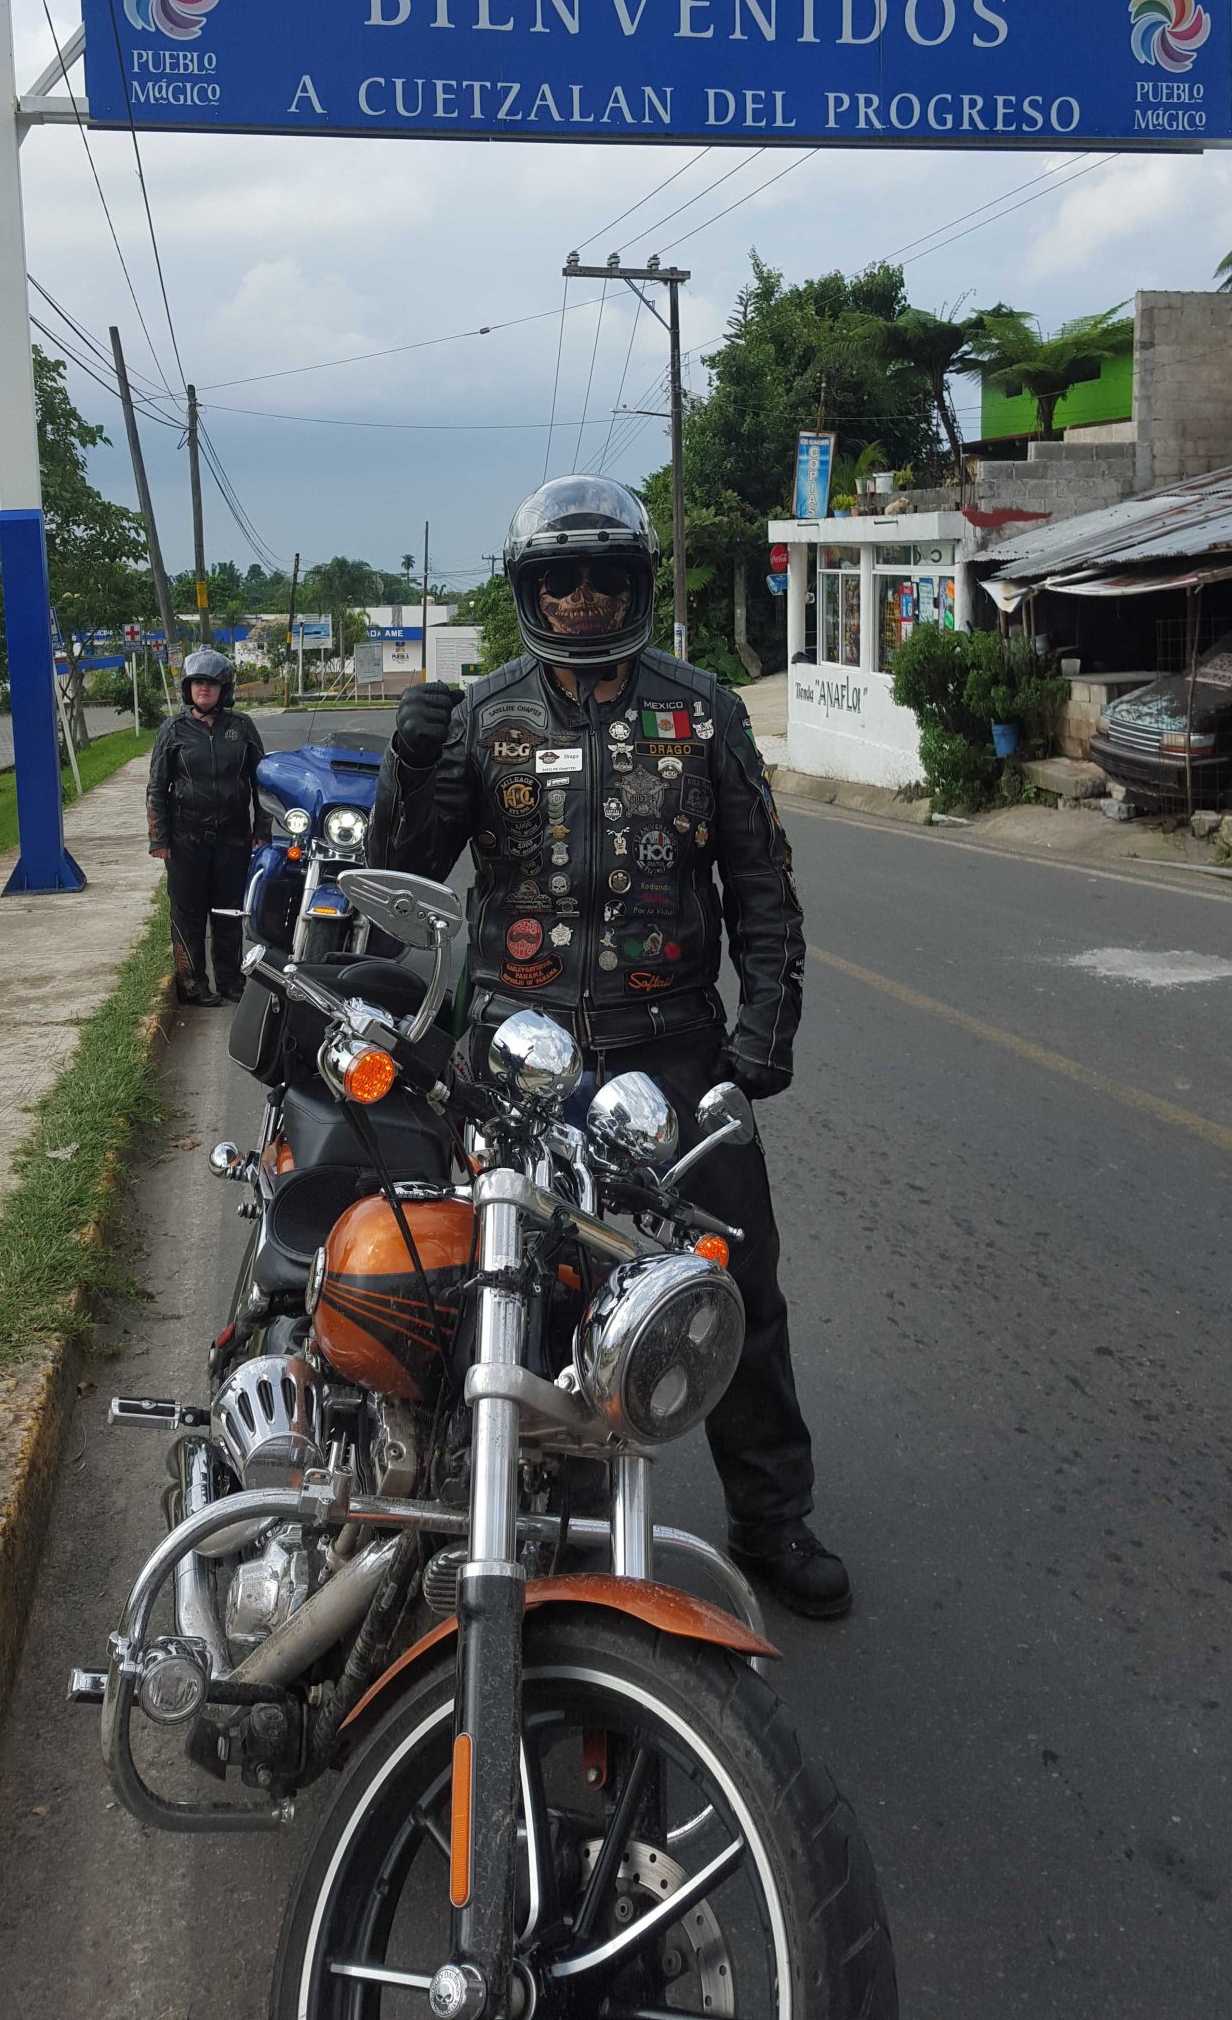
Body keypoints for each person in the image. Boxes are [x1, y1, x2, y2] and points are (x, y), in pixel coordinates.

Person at [369, 476, 848, 1617]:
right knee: (515, 1287)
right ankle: (530, 1512)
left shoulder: (702, 711)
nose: (582, 600)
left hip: (673, 1051)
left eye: (605, 578)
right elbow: (402, 879)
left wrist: (759, 1036)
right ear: (530, 588)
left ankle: (773, 1521)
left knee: (737, 1285)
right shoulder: (485, 717)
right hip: (518, 1062)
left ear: (635, 582)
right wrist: (408, 765)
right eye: (558, 579)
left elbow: (763, 891)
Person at [147, 645, 268, 1006]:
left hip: (232, 837)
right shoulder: (173, 730)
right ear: (188, 688)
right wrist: (160, 837)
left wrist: (262, 830)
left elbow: (261, 780)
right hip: (186, 839)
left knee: (228, 911)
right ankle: (192, 984)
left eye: (211, 683)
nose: (204, 689)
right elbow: (156, 787)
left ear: (224, 689)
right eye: (197, 682)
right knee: (187, 914)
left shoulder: (242, 727)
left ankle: (231, 981)